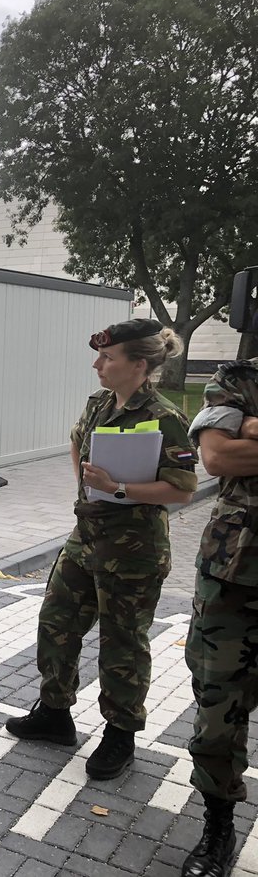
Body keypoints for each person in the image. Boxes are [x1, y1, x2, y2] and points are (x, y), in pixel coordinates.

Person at [6, 319, 196, 783]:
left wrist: (118, 488)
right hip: (85, 539)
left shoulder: (166, 418)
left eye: (108, 358)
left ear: (139, 365)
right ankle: (54, 714)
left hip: (133, 551)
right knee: (55, 623)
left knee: (122, 642)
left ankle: (120, 734)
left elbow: (183, 488)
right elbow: (78, 442)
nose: (98, 365)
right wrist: (91, 487)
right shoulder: (98, 403)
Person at [181, 342, 258, 876]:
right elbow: (217, 457)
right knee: (217, 711)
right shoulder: (236, 381)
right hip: (236, 577)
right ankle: (218, 826)